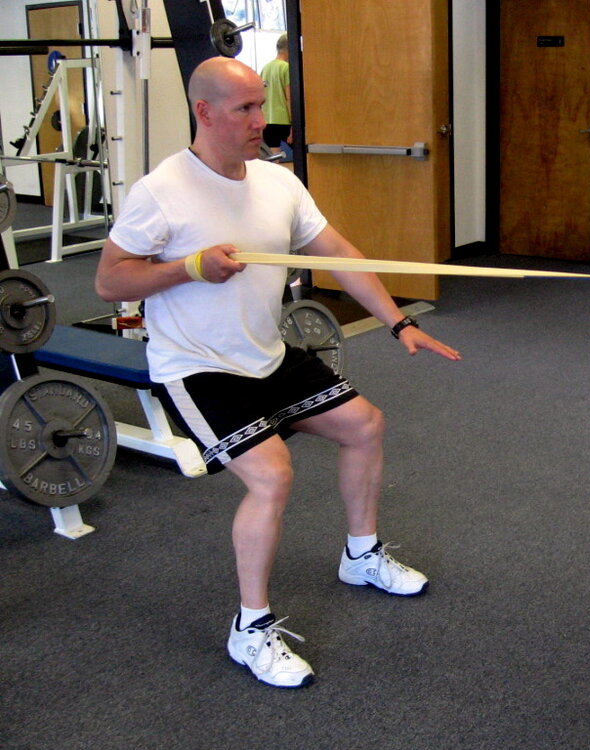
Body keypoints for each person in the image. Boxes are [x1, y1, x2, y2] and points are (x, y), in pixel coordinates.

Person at [95, 56, 461, 689]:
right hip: (198, 366)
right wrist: (188, 268)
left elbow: (340, 253)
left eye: (261, 106)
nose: (261, 121)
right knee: (271, 476)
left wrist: (399, 321)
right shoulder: (162, 190)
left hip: (265, 352)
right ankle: (251, 628)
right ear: (204, 112)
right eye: (245, 110)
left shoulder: (277, 183)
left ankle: (361, 554)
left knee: (364, 425)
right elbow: (109, 280)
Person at [260, 33, 292, 156]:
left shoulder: (265, 68)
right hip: (284, 121)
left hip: (268, 120)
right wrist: (294, 126)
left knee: (274, 161)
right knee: (304, 158)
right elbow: (290, 98)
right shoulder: (287, 68)